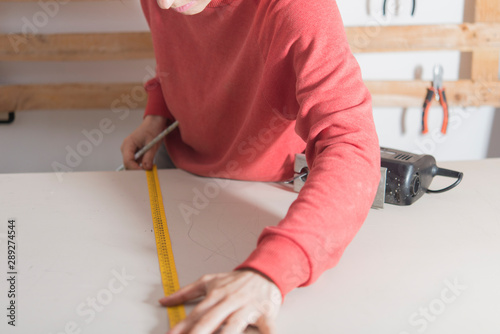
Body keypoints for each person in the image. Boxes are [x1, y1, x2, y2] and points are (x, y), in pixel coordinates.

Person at [121, 0, 381, 333]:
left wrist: (271, 270)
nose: (164, 3)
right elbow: (176, 58)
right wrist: (158, 113)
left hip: (269, 184)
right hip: (178, 172)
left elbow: (351, 145)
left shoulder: (299, 8)